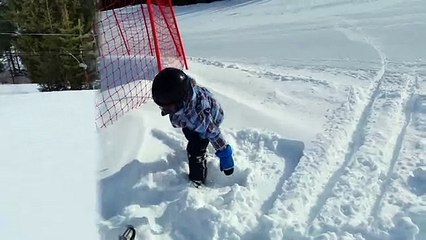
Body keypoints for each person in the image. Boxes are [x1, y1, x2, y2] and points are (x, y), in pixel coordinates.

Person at [151, 67, 234, 186]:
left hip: (212, 118)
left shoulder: (200, 118)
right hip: (193, 116)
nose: (165, 111)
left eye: (168, 107)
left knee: (195, 149)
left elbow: (214, 133)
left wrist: (225, 154)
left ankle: (197, 180)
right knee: (190, 133)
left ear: (181, 101)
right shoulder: (185, 90)